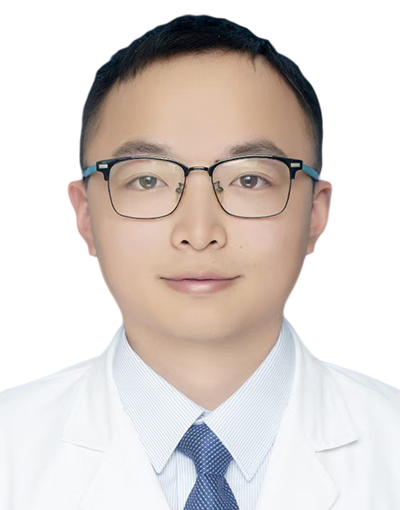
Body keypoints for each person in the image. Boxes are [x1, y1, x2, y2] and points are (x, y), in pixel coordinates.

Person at [1, 16, 399, 510]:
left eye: (249, 180)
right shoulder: (10, 452)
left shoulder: (390, 444)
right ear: (84, 214)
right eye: (147, 180)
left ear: (315, 213)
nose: (198, 231)